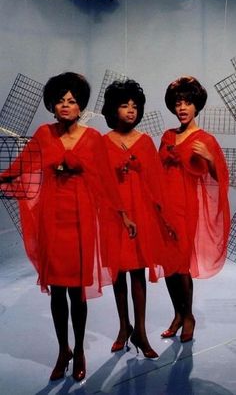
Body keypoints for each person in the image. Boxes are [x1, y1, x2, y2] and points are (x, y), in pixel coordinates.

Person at [0, 72, 136, 381]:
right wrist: (2, 177)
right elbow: (19, 168)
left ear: (80, 106)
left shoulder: (92, 139)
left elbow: (105, 182)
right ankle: (64, 350)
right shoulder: (43, 134)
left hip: (81, 220)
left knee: (77, 292)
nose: (65, 105)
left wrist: (123, 214)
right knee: (57, 292)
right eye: (60, 100)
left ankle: (80, 350)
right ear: (52, 105)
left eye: (72, 101)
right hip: (52, 218)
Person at [102, 79, 176, 359]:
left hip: (141, 214)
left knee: (138, 274)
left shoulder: (145, 142)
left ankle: (140, 332)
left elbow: (157, 183)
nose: (130, 111)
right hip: (114, 215)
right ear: (113, 110)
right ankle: (124, 327)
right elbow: (101, 183)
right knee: (118, 273)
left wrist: (164, 219)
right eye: (124, 105)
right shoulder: (103, 142)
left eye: (135, 106)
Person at [159, 76, 230, 342]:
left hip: (186, 208)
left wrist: (211, 160)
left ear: (196, 106)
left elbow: (221, 178)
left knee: (181, 266)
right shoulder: (168, 136)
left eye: (187, 102)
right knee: (167, 265)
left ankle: (188, 316)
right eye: (178, 103)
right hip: (164, 208)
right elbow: (157, 172)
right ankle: (177, 314)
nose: (182, 108)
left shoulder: (205, 139)